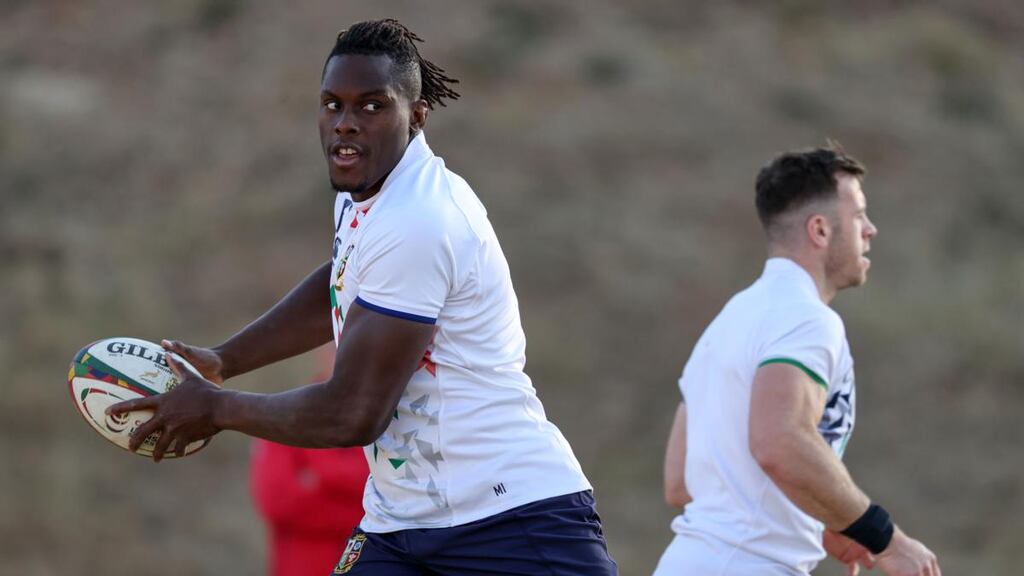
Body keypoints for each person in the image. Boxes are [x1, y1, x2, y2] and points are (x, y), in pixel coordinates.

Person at [109, 18, 617, 575]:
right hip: (401, 524)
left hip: (510, 522)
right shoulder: (367, 189)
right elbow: (344, 277)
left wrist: (217, 409)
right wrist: (225, 360)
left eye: (372, 106)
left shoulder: (421, 220)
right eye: (332, 105)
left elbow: (353, 414)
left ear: (417, 116)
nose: (345, 125)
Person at [653, 145, 940, 576]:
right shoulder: (807, 320)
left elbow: (681, 481)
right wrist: (887, 540)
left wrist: (824, 520)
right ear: (820, 230)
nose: (871, 230)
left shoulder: (726, 325)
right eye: (860, 215)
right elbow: (779, 441)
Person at [250, 345, 368, 576]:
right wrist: (363, 514)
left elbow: (398, 497)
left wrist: (320, 480)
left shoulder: (390, 418)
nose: (344, 356)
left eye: (354, 348)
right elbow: (277, 500)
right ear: (320, 351)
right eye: (335, 347)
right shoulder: (285, 415)